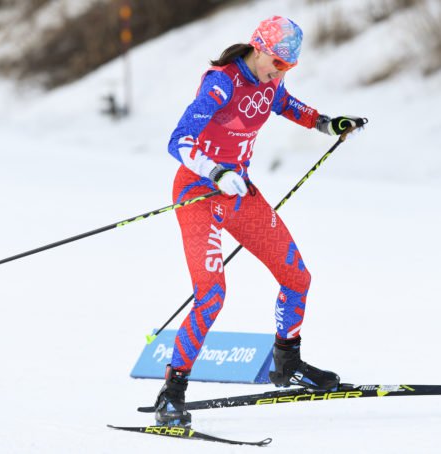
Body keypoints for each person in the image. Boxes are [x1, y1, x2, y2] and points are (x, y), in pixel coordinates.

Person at [154, 15, 367, 427]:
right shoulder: (220, 83)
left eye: (288, 67)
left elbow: (285, 104)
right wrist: (215, 171)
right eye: (277, 63)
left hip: (239, 194)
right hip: (198, 192)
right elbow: (178, 140)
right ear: (258, 49)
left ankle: (287, 364)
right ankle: (172, 392)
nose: (280, 72)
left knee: (297, 277)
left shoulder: (271, 82)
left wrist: (327, 124)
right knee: (212, 294)